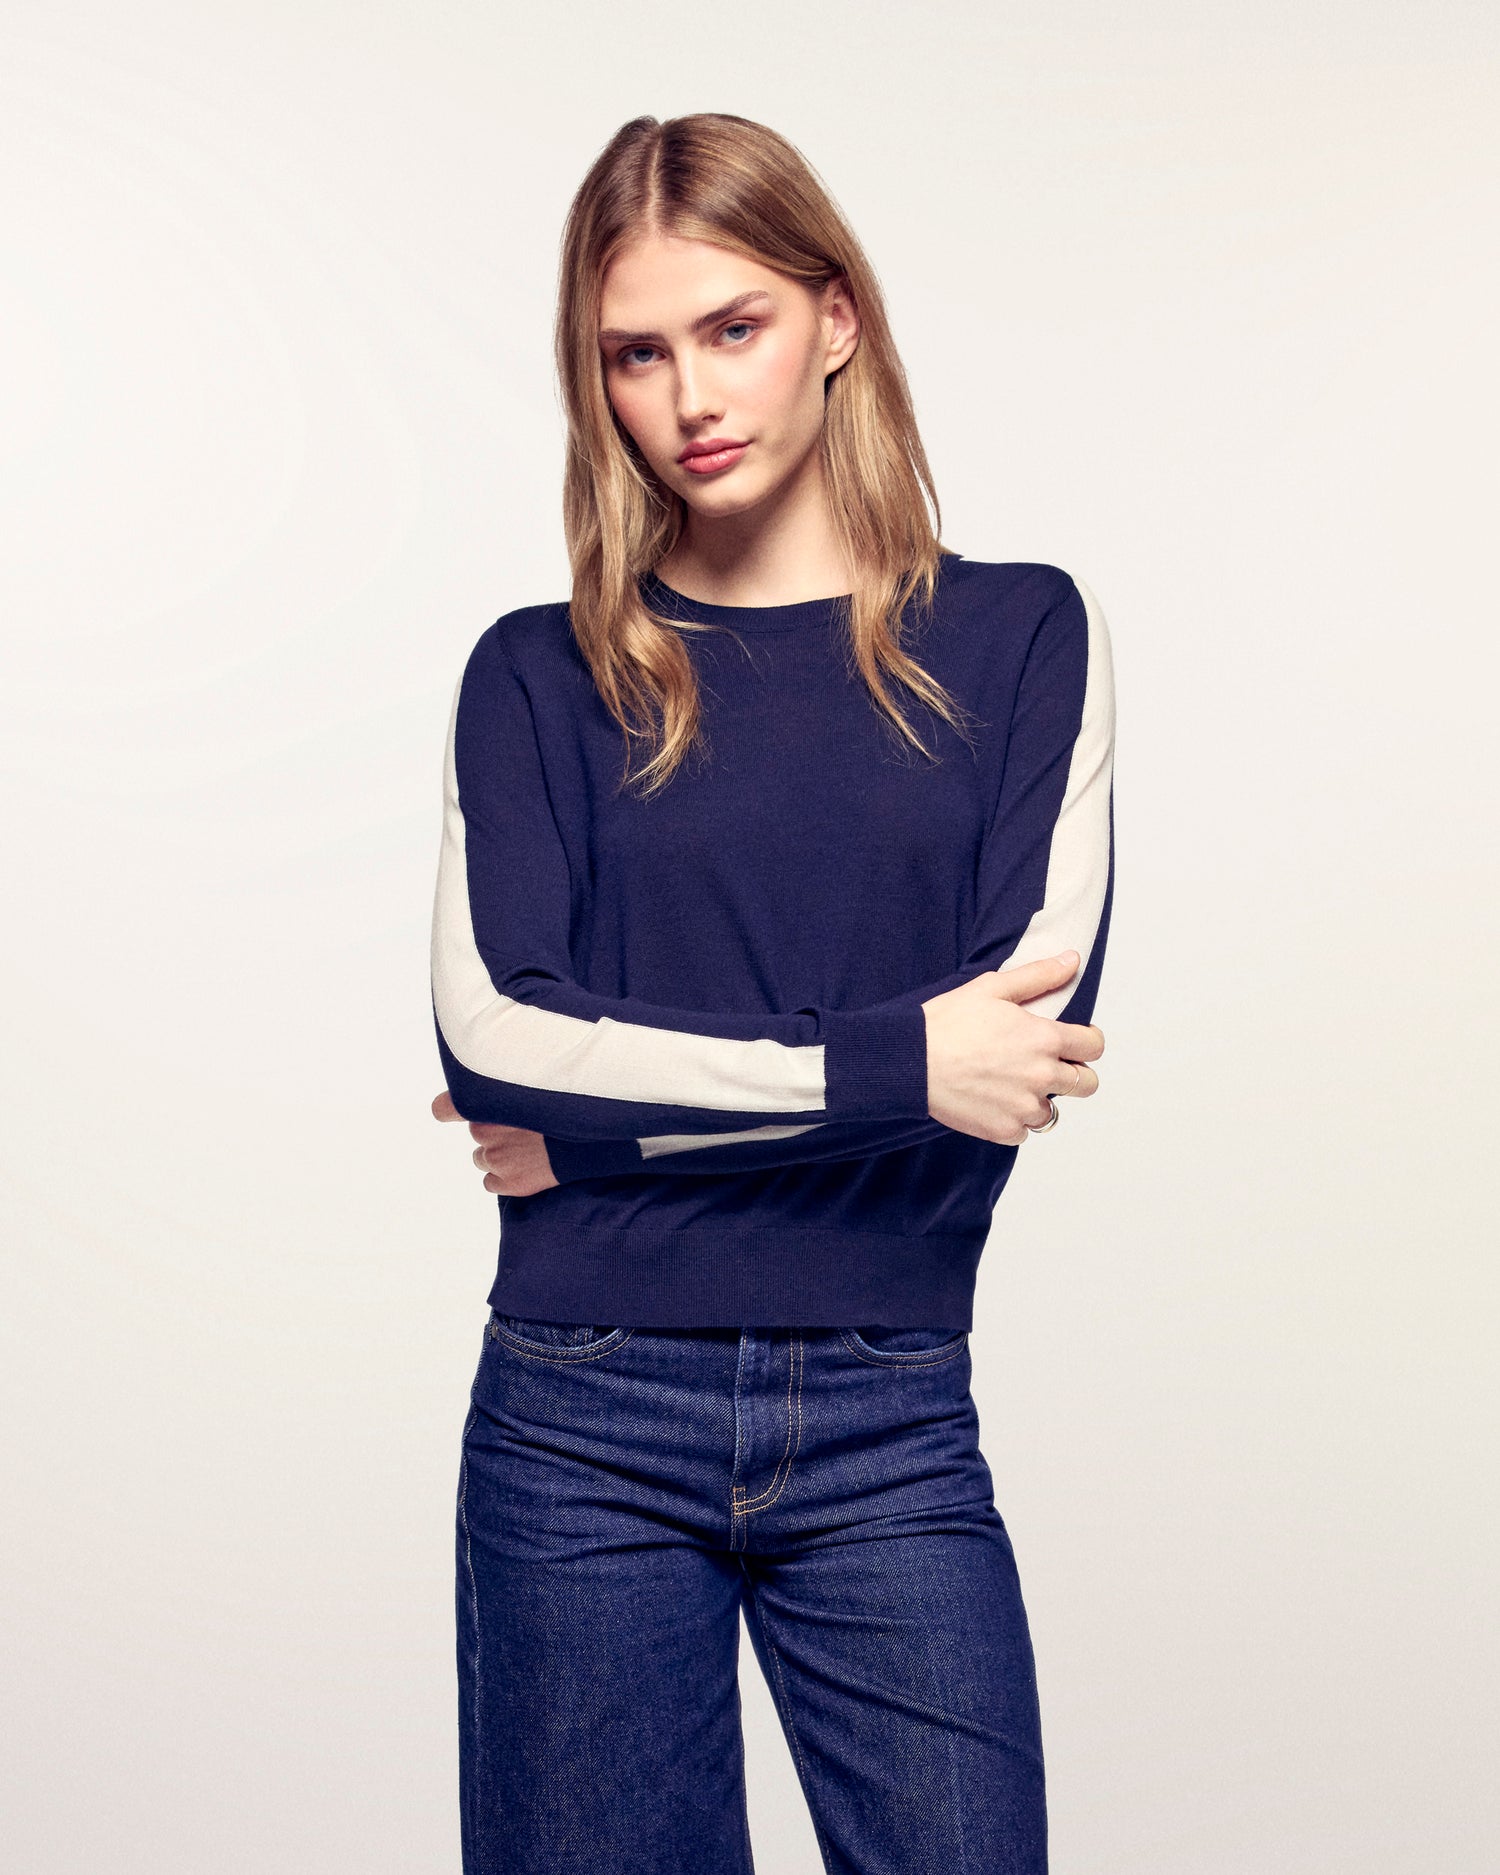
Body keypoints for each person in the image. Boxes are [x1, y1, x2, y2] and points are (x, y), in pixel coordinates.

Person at [428, 110, 1115, 1875]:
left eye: (730, 328)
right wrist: (898, 1066)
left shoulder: (1023, 637)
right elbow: (498, 1042)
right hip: (582, 1415)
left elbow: (1011, 1058)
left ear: (835, 318)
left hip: (892, 1406)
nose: (687, 397)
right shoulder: (534, 678)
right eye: (634, 354)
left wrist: (604, 1146)